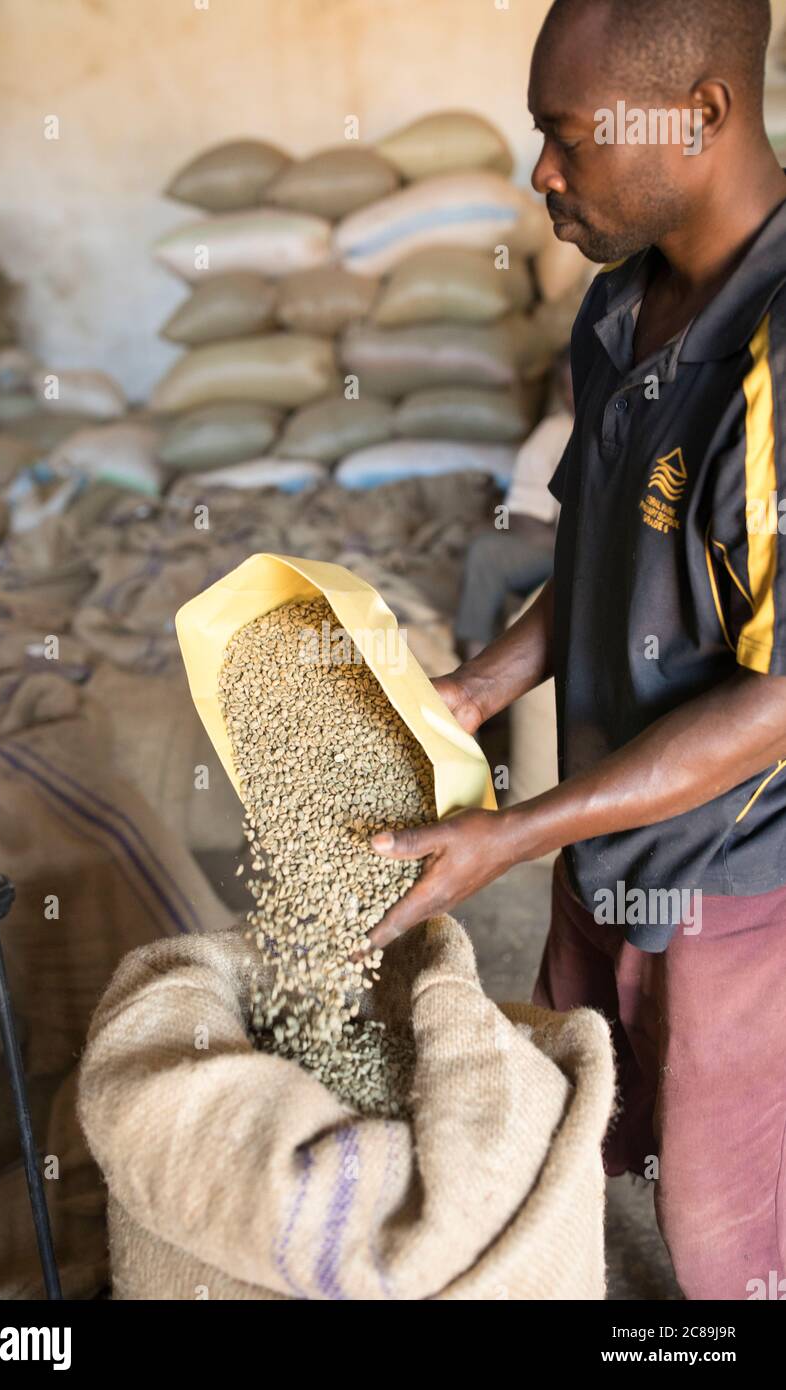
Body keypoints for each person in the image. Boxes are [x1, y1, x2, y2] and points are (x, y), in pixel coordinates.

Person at [363, 0, 786, 1301]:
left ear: (699, 114)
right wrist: (479, 683)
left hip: (729, 880)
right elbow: (604, 549)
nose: (540, 170)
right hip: (593, 837)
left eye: (565, 135)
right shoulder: (617, 311)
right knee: (587, 1126)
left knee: (724, 1245)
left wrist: (516, 830)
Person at [454, 352, 573, 661]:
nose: (575, 393)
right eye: (568, 386)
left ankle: (475, 663)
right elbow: (527, 516)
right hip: (572, 552)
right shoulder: (559, 432)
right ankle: (474, 664)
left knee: (486, 551)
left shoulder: (568, 431)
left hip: (589, 555)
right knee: (487, 550)